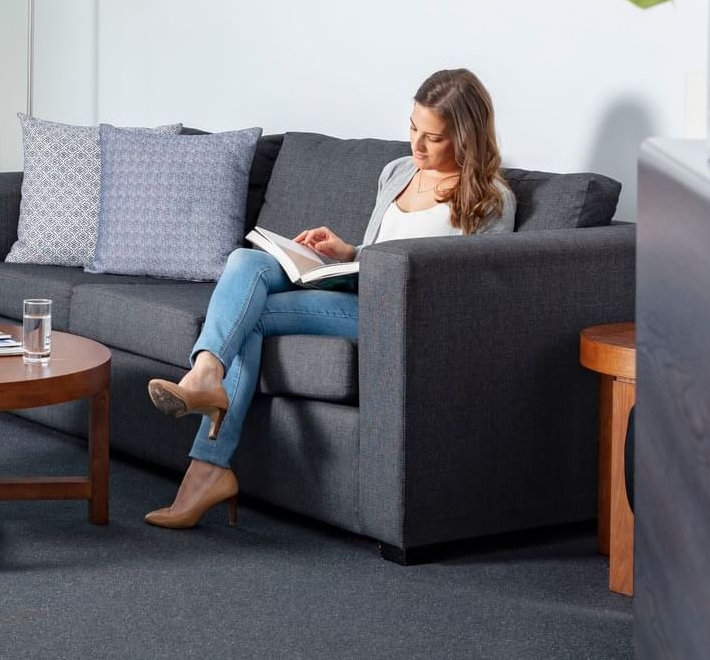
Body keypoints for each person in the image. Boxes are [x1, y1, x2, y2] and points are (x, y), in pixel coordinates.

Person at [142, 67, 516, 528]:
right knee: (245, 261)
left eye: (433, 139)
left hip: (395, 315)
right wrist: (346, 253)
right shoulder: (397, 171)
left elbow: (473, 287)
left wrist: (379, 272)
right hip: (358, 287)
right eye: (413, 129)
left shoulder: (489, 199)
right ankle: (205, 377)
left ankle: (206, 466)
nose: (416, 147)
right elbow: (381, 250)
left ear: (467, 136)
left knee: (248, 318)